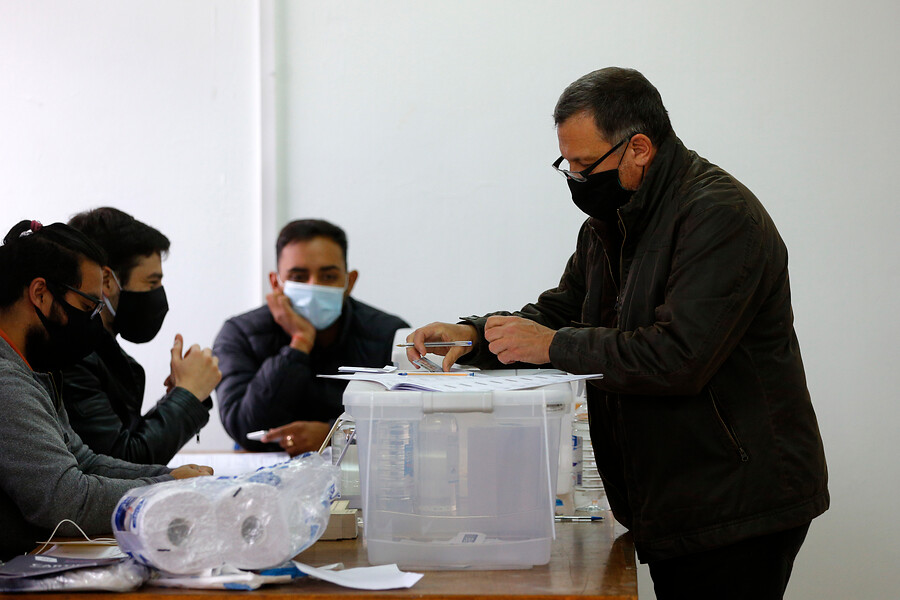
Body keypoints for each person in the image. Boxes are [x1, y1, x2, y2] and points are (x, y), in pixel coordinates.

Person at [407, 68, 828, 600]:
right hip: (676, 495)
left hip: (735, 499)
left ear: (639, 149)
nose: (575, 179)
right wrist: (473, 335)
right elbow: (561, 311)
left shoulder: (719, 215)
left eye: (585, 165)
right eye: (567, 164)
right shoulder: (614, 220)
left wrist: (553, 345)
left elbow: (678, 357)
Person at [0, 220, 212, 561]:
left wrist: (169, 478)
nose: (93, 323)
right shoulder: (7, 381)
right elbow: (65, 501)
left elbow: (83, 461)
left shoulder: (37, 369)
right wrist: (164, 490)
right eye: (87, 308)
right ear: (40, 294)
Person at [214, 219, 409, 455]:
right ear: (276, 283)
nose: (314, 286)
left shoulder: (390, 335)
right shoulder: (240, 334)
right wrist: (300, 342)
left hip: (360, 465)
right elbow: (245, 428)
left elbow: (407, 421)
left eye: (328, 277)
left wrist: (335, 435)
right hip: (265, 468)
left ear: (349, 282)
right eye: (298, 277)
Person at [61, 207, 220, 464]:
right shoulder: (73, 357)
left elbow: (129, 439)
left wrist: (180, 395)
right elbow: (122, 462)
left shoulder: (105, 354)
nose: (159, 294)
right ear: (107, 281)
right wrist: (188, 394)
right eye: (151, 282)